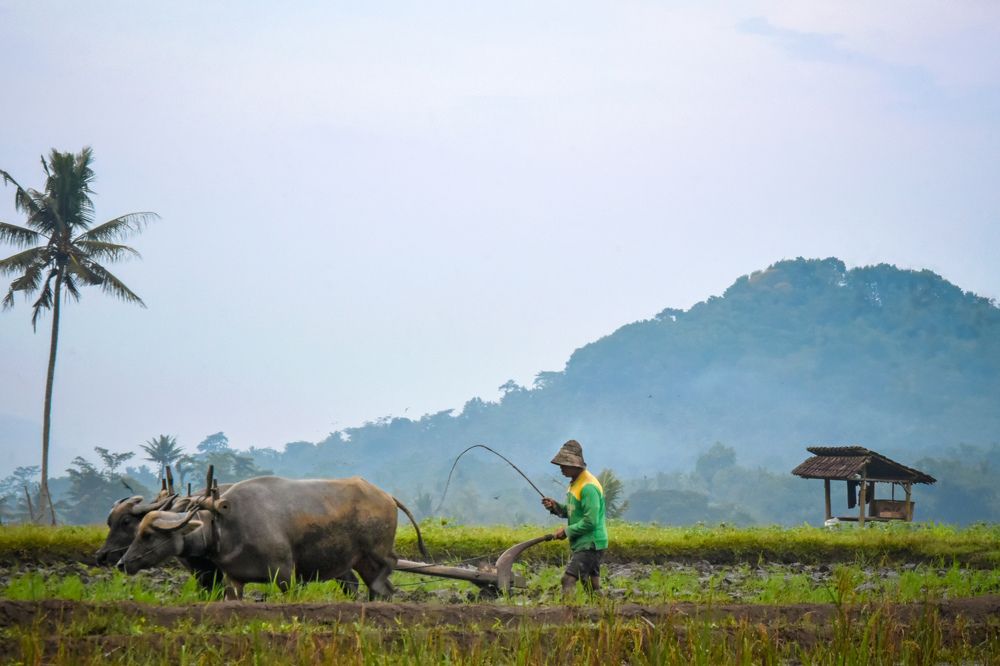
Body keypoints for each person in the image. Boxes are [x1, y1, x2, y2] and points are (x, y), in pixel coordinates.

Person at [541, 439, 608, 600]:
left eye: (564, 464)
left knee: (568, 580)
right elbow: (573, 511)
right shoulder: (575, 483)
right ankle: (605, 612)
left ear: (575, 465)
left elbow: (590, 521)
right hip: (587, 542)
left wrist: (566, 531)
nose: (561, 468)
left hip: (590, 543)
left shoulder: (588, 487)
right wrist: (555, 507)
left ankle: (568, 612)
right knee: (592, 586)